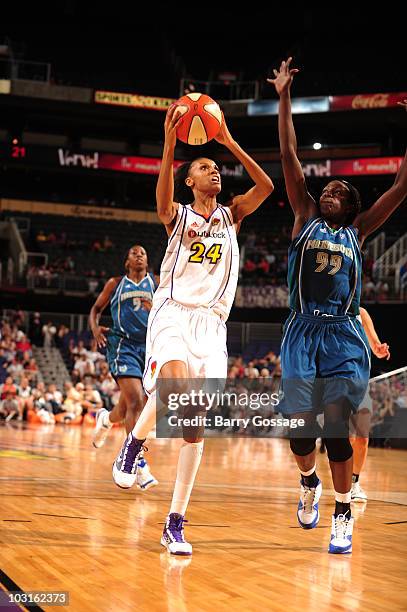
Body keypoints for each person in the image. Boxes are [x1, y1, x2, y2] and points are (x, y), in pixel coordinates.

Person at [111, 104, 274, 555]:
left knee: (193, 424)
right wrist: (168, 145)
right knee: (174, 389)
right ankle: (136, 441)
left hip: (213, 324)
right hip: (173, 311)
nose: (214, 171)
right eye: (205, 167)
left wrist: (227, 141)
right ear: (190, 180)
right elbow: (161, 203)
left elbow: (267, 186)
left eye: (216, 168)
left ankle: (174, 521)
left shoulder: (233, 214)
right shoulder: (180, 215)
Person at [269, 57, 407, 554]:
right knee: (302, 436)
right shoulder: (303, 213)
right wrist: (283, 94)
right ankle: (309, 483)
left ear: (349, 204)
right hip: (302, 332)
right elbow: (288, 153)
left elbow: (400, 186)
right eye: (324, 187)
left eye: (338, 190)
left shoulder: (359, 230)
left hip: (344, 334)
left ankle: (343, 512)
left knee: (335, 426)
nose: (328, 191)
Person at [89, 245, 158, 491]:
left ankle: (106, 419)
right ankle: (136, 461)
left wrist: (156, 310)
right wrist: (95, 328)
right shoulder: (116, 283)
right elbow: (96, 310)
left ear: (148, 261)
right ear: (127, 261)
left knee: (129, 405)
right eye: (134, 253)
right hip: (122, 345)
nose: (139, 255)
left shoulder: (157, 283)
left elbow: (170, 310)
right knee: (137, 401)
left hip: (148, 348)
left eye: (143, 253)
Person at [350, 307, 390, 502]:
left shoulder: (361, 314)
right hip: (335, 380)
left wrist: (380, 349)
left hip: (360, 381)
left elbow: (375, 345)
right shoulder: (331, 311)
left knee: (362, 438)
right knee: (346, 438)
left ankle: (354, 483)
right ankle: (340, 485)